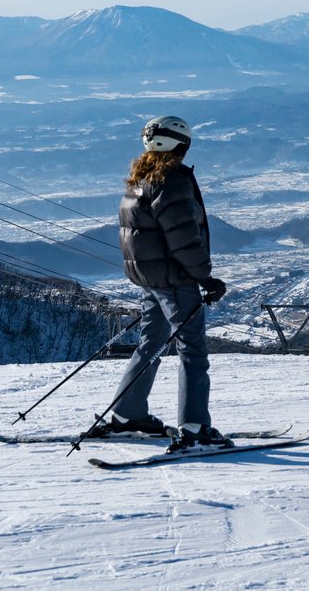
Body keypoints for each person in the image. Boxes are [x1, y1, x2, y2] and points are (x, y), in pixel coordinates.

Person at [91, 115, 232, 452]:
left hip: (151, 278)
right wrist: (205, 278)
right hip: (174, 279)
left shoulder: (140, 178)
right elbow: (183, 239)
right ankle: (195, 428)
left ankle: (127, 415)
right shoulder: (173, 181)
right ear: (180, 146)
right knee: (192, 350)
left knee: (152, 342)